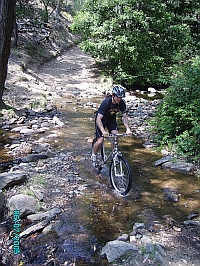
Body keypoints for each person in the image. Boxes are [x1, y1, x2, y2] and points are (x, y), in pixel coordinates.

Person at [91, 85, 132, 166]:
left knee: (115, 136)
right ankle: (94, 155)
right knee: (100, 141)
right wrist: (103, 131)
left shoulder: (121, 103)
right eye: (118, 97)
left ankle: (114, 155)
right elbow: (98, 119)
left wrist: (128, 129)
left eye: (121, 97)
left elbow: (124, 117)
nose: (119, 99)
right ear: (113, 96)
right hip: (101, 120)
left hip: (111, 120)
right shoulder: (106, 102)